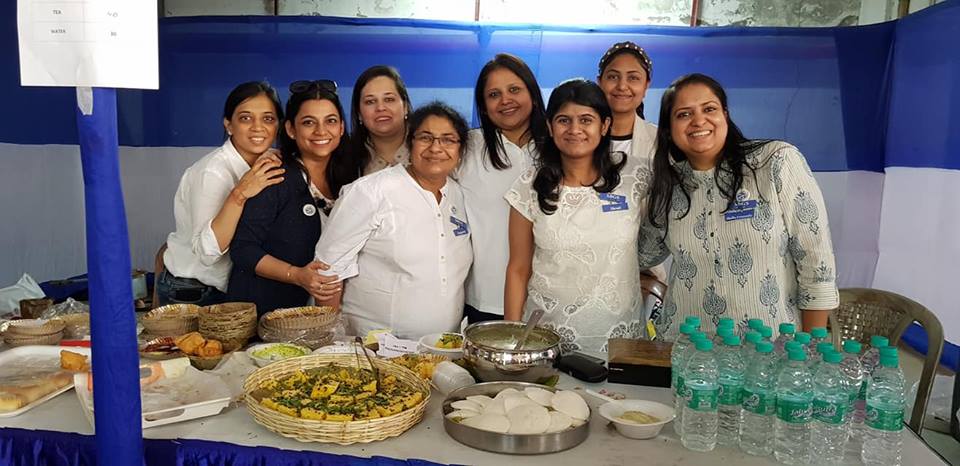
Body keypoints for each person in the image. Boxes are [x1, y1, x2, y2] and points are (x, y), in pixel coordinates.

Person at [637, 73, 838, 338]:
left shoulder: (774, 162)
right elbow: (642, 255)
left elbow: (817, 264)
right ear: (669, 129)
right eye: (683, 114)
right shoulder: (668, 185)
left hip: (769, 349)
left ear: (725, 115)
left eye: (709, 109)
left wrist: (812, 349)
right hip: (686, 348)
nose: (699, 120)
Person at [503, 79, 656, 353]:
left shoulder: (637, 178)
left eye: (586, 120)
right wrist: (512, 342)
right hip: (547, 340)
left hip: (622, 338)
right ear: (550, 127)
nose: (575, 130)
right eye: (564, 120)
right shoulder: (528, 187)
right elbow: (518, 269)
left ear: (605, 126)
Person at [314, 102, 472, 340]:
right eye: (426, 137)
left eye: (448, 139)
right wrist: (330, 339)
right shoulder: (371, 192)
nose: (436, 148)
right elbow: (328, 269)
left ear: (460, 149)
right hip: (375, 348)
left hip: (443, 348)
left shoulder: (459, 196)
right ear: (410, 143)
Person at [159, 81, 285, 307]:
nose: (258, 127)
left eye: (268, 119)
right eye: (246, 118)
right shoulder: (212, 172)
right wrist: (239, 193)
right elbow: (207, 253)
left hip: (234, 285)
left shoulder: (271, 161)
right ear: (228, 125)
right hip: (194, 289)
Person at [227, 80, 347, 314]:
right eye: (308, 122)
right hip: (268, 317)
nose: (321, 131)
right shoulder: (274, 175)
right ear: (291, 129)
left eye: (330, 121)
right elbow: (243, 249)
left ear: (342, 127)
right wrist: (296, 275)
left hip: (321, 317)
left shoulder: (349, 178)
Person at [456, 53, 548, 324]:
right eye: (494, 94)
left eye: (514, 90)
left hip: (550, 299)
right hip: (485, 298)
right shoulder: (468, 148)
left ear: (532, 93)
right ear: (483, 106)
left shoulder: (559, 146)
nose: (505, 100)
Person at [597, 41, 657, 163]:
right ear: (599, 82)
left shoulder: (660, 140)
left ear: (646, 86)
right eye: (613, 77)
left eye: (633, 78)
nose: (622, 86)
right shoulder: (580, 136)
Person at [349, 65, 413, 175]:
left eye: (389, 99)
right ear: (359, 113)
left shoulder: (431, 149)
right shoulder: (344, 160)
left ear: (405, 107)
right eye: (370, 101)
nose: (380, 108)